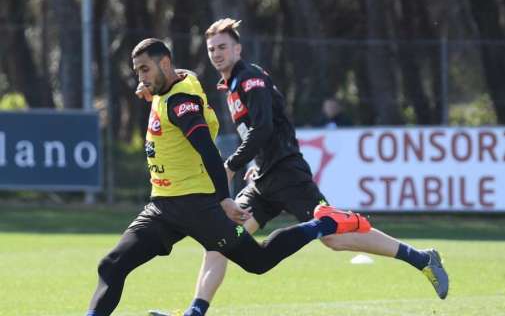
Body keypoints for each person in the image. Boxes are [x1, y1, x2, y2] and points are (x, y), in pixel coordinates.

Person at [149, 19, 449, 316]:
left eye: (223, 47)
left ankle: (422, 259)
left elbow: (264, 128)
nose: (216, 53)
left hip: (287, 173)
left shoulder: (250, 79)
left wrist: (232, 165)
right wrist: (254, 163)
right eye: (212, 48)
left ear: (238, 49)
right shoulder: (231, 86)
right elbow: (254, 132)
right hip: (263, 179)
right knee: (220, 240)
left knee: (335, 239)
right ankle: (195, 313)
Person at [85, 38, 372, 316]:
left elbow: (209, 152)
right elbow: (186, 74)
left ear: (164, 63)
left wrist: (224, 198)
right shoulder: (176, 83)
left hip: (198, 207)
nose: (141, 77)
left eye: (145, 69)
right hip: (162, 208)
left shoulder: (181, 104)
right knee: (111, 265)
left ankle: (323, 224)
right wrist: (150, 84)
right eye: (137, 71)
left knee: (259, 261)